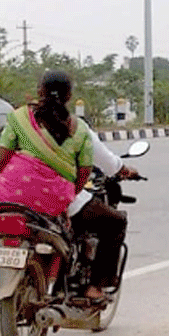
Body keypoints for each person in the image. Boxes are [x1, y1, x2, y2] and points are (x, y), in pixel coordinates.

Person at [0, 71, 93, 302]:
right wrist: (69, 196)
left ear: (39, 91)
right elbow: (83, 172)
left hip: (10, 190)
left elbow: (0, 158)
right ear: (69, 96)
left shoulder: (20, 118)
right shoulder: (79, 129)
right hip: (54, 198)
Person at [68, 125, 140, 303]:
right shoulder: (74, 126)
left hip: (14, 196)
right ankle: (96, 286)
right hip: (57, 196)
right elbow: (102, 162)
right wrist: (124, 170)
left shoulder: (18, 122)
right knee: (115, 222)